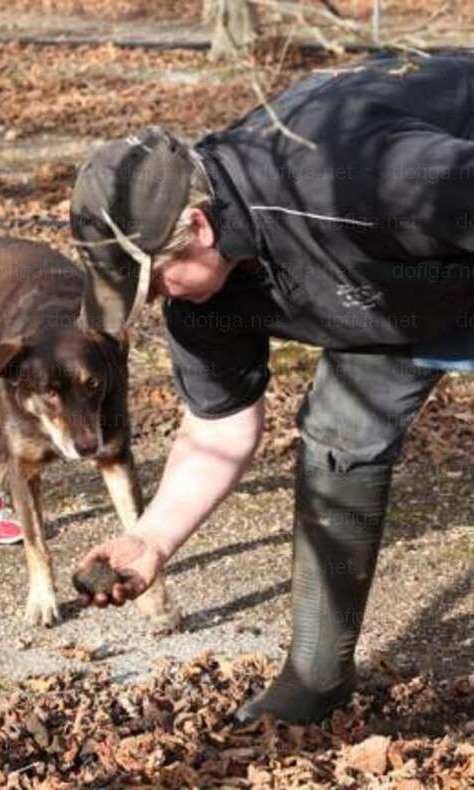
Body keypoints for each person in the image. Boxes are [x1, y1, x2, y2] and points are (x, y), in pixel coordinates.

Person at [68, 53, 474, 724]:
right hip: (392, 289)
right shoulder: (203, 301)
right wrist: (152, 539)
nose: (154, 301)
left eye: (154, 280)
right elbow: (217, 430)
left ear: (197, 228)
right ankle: (316, 679)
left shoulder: (358, 174)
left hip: (434, 231)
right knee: (341, 433)